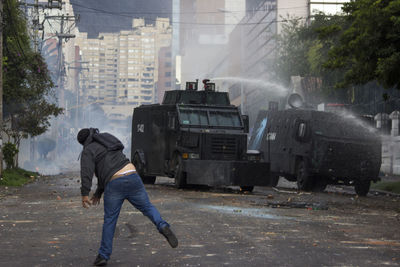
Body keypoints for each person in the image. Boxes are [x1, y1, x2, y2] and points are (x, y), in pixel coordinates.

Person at [77, 128, 178, 266]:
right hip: (132, 175)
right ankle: (162, 226)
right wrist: (98, 193)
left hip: (114, 182)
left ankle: (103, 256)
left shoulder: (88, 150)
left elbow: (87, 172)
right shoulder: (107, 139)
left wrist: (84, 194)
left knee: (110, 220)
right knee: (148, 207)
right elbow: (106, 167)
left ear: (83, 143)